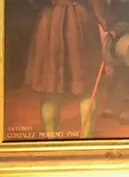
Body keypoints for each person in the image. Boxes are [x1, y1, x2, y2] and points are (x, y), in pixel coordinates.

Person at [25, 0, 114, 138]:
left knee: (50, 87)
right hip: (79, 26)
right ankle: (85, 141)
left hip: (49, 25)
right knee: (87, 89)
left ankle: (51, 142)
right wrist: (108, 23)